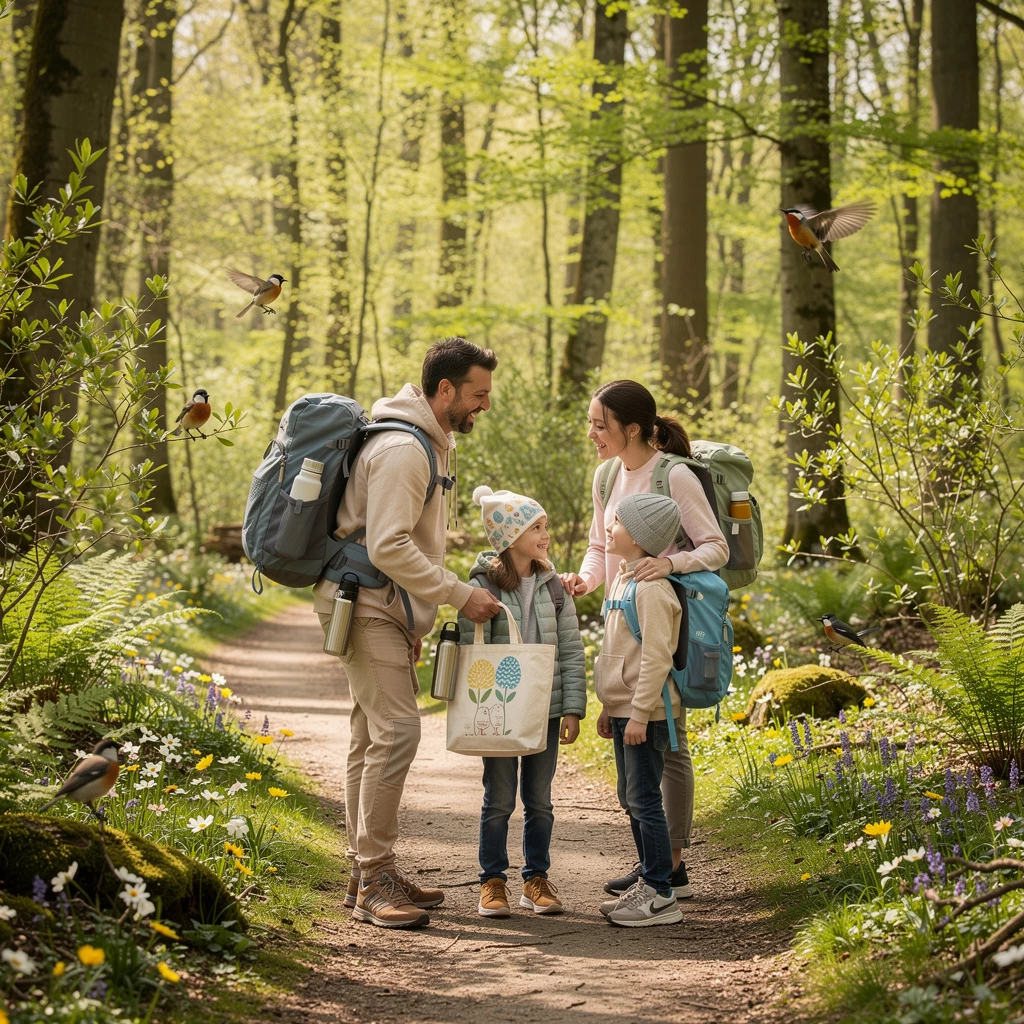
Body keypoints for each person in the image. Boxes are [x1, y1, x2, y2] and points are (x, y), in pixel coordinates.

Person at [313, 337, 502, 929]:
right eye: (477, 394)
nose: (483, 406)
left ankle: (363, 871)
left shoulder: (428, 444)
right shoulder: (403, 448)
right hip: (364, 600)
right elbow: (389, 544)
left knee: (371, 735)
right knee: (395, 733)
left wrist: (412, 615)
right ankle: (375, 876)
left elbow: (399, 542)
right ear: (443, 390)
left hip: (380, 604)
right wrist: (456, 594)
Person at [560, 379, 728, 900]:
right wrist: (587, 580)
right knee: (644, 755)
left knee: (669, 743)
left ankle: (670, 863)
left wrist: (669, 563)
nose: (592, 433)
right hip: (620, 622)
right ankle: (656, 859)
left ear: (632, 429)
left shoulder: (674, 476)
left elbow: (716, 548)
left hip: (666, 623)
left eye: (600, 425)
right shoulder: (607, 475)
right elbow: (597, 545)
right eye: (591, 422)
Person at [458, 485, 587, 919]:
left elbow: (570, 650)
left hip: (545, 709)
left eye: (545, 525)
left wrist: (572, 706)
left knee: (540, 798)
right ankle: (492, 882)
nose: (546, 534)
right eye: (537, 527)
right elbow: (467, 644)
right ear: (510, 536)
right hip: (499, 708)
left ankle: (536, 879)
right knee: (498, 798)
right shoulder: (481, 585)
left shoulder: (556, 587)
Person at [595, 494, 686, 927]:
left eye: (616, 524)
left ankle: (660, 892)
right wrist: (609, 706)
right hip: (625, 710)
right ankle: (648, 881)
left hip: (645, 714)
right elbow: (617, 652)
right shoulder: (625, 580)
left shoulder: (652, 590)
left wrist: (637, 712)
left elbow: (656, 658)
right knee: (629, 797)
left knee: (645, 799)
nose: (609, 529)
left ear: (638, 535)